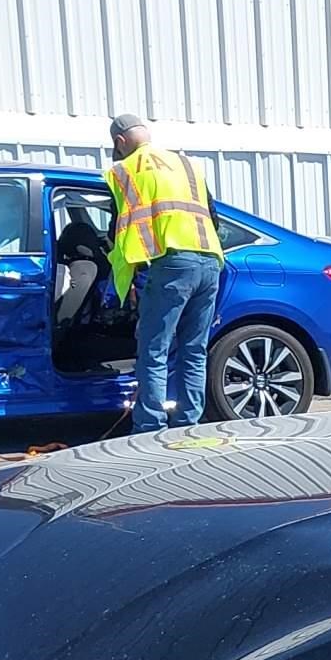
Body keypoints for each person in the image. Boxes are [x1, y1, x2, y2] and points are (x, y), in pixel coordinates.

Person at [104, 113, 225, 432]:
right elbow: (213, 217)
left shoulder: (124, 171)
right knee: (194, 348)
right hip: (209, 261)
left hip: (171, 264)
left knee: (154, 347)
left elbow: (117, 229)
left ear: (119, 142)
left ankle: (149, 426)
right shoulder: (186, 165)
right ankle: (189, 423)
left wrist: (124, 273)